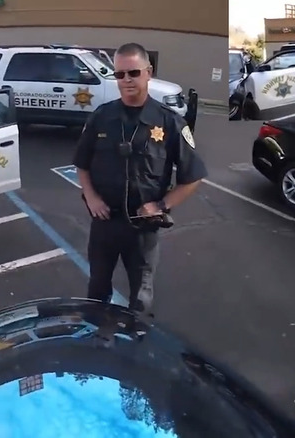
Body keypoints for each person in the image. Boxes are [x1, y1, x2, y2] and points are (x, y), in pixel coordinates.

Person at [72, 42, 207, 315]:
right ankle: (97, 341)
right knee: (97, 289)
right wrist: (92, 197)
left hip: (143, 229)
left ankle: (138, 345)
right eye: (119, 75)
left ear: (149, 72)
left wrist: (161, 206)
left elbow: (192, 177)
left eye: (133, 73)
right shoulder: (102, 117)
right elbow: (82, 164)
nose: (126, 80)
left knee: (141, 299)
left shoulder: (170, 123)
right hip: (105, 224)